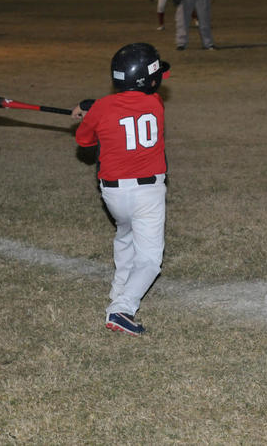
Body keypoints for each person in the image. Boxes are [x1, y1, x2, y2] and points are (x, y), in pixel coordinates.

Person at [71, 43, 170, 337]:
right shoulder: (156, 105)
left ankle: (118, 288)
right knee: (150, 260)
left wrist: (90, 113)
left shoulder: (102, 108)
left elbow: (84, 140)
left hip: (113, 196)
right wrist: (95, 109)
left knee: (126, 233)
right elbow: (131, 107)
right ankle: (122, 308)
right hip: (148, 193)